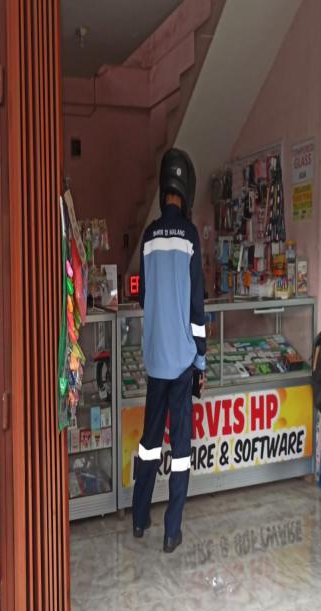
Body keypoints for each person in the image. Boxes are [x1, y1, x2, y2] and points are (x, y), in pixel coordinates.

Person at [132, 147, 206, 554]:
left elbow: (144, 295)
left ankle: (139, 517)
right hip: (180, 362)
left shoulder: (148, 237)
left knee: (148, 442)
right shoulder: (190, 236)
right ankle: (171, 530)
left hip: (154, 358)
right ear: (186, 190)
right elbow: (197, 307)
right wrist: (201, 359)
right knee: (180, 450)